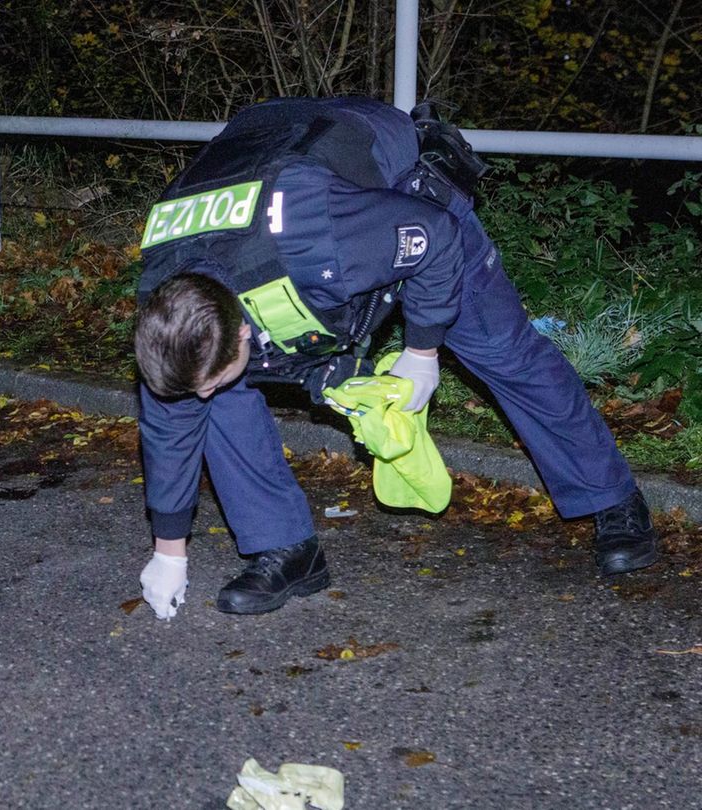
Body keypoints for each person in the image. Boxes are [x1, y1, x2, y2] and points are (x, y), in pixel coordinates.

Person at [132, 97, 658, 620]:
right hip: (271, 175)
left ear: (244, 325)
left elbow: (434, 237)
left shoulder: (317, 233)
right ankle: (286, 549)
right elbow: (171, 425)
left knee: (500, 347)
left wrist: (421, 350)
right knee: (217, 394)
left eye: (213, 373)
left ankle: (611, 498)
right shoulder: (167, 298)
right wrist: (168, 551)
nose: (201, 391)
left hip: (383, 180)